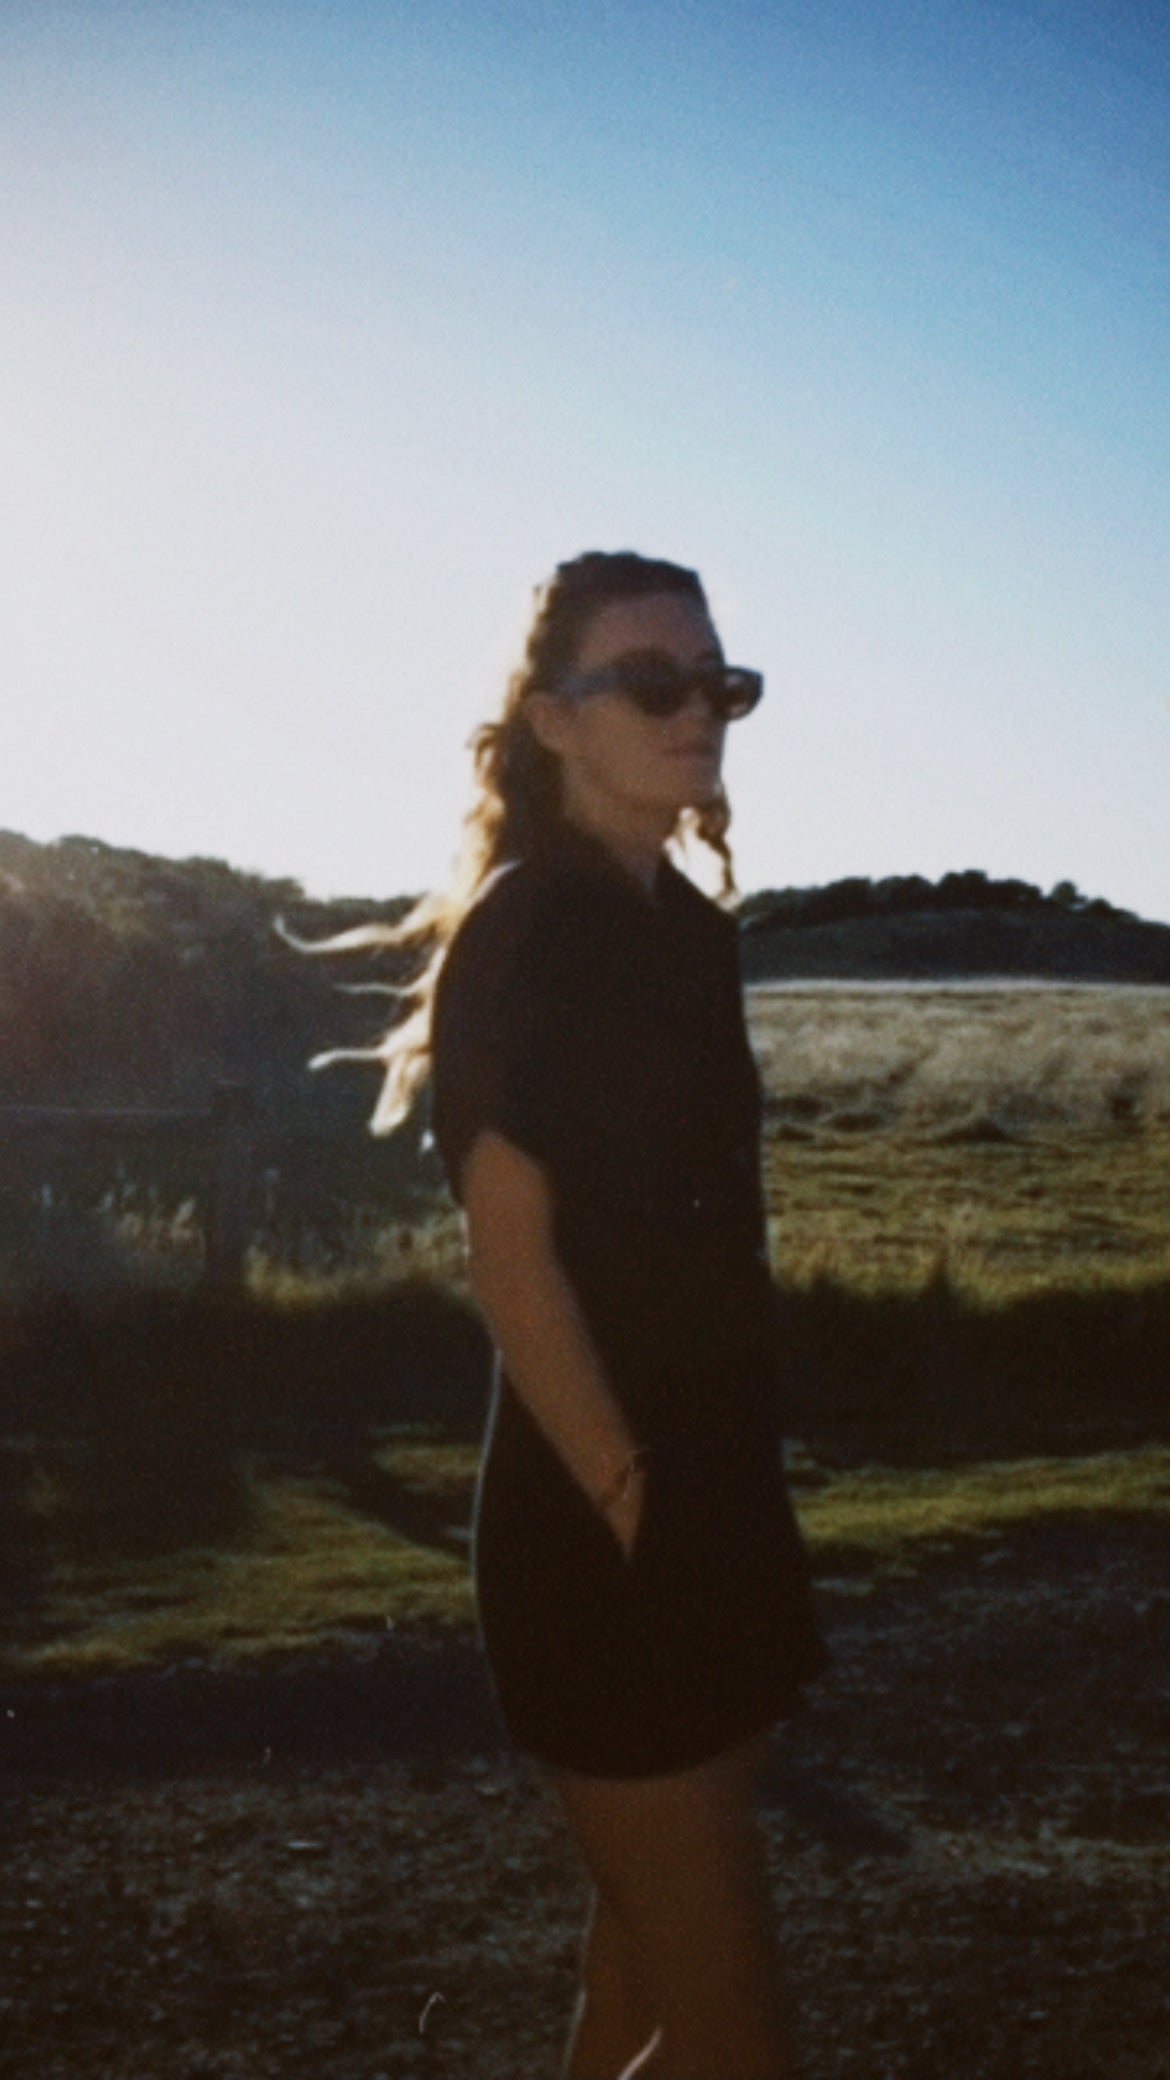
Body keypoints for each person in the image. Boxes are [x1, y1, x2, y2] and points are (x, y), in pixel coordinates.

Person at [318, 550, 830, 2078]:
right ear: (551, 719)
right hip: (604, 1528)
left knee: (645, 1986)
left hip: (715, 1501)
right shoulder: (531, 926)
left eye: (717, 683)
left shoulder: (686, 928)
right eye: (653, 683)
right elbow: (513, 1263)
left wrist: (713, 1506)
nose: (698, 712)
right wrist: (632, 1503)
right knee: (736, 2036)